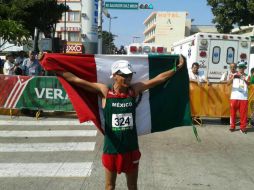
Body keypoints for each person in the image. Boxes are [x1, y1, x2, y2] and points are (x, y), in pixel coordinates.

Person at [55, 55, 186, 190]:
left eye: (129, 75)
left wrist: (177, 68)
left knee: (132, 186)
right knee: (110, 186)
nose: (128, 78)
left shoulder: (134, 90)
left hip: (131, 149)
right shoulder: (105, 92)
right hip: (111, 149)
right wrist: (53, 67)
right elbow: (76, 80)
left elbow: (159, 79)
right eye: (124, 75)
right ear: (114, 75)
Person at [228, 61, 249, 133]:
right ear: (238, 68)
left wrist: (244, 80)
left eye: (242, 67)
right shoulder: (233, 74)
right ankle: (232, 126)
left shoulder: (247, 75)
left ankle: (243, 127)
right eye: (240, 67)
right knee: (232, 112)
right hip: (234, 96)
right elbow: (228, 83)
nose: (241, 69)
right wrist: (233, 77)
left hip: (244, 97)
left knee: (243, 113)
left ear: (244, 68)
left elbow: (249, 84)